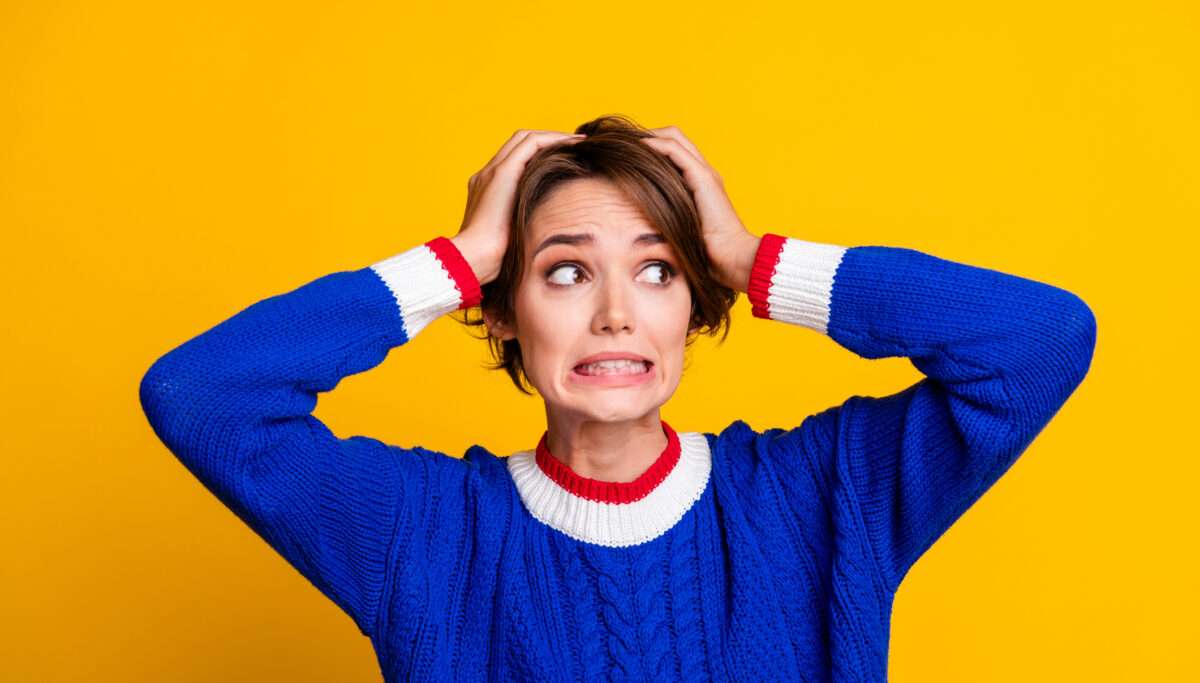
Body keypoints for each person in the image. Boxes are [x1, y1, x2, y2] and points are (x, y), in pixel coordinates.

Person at [139, 115, 1097, 681]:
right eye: (562, 274)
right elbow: (199, 394)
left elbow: (1039, 340)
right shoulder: (420, 533)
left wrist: (749, 259)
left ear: (692, 305)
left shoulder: (824, 495)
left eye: (657, 272)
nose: (613, 315)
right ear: (504, 312)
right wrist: (459, 260)